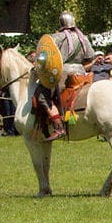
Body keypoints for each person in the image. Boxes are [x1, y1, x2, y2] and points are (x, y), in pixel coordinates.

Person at [36, 11, 96, 141]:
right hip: (81, 73)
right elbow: (90, 57)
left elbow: (45, 57)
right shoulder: (83, 37)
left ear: (61, 23)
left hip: (63, 73)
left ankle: (58, 126)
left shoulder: (57, 37)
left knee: (41, 94)